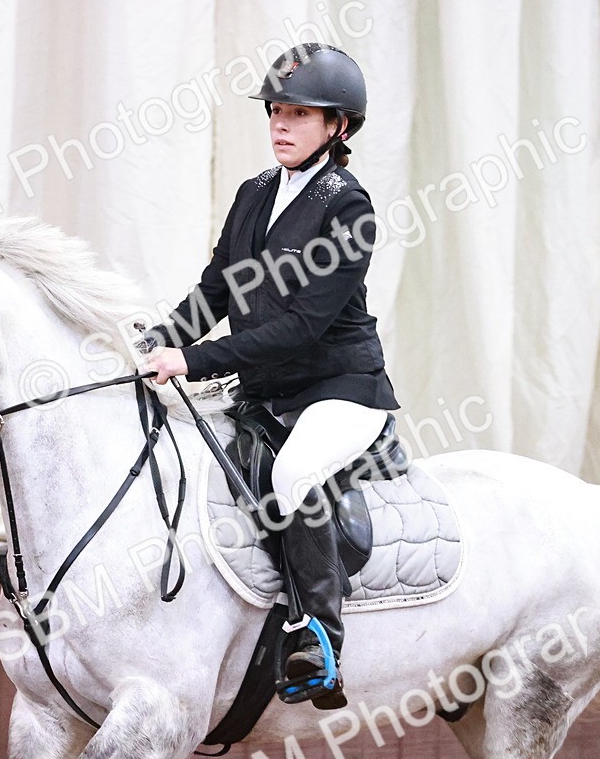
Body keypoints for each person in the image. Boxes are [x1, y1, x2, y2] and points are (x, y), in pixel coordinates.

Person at [139, 43, 398, 709]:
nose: (281, 124)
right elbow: (217, 290)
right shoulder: (255, 193)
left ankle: (319, 641)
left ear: (339, 127)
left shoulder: (349, 209)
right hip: (265, 391)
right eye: (276, 111)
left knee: (293, 476)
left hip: (340, 389)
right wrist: (157, 342)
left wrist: (192, 361)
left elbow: (301, 328)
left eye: (300, 114)